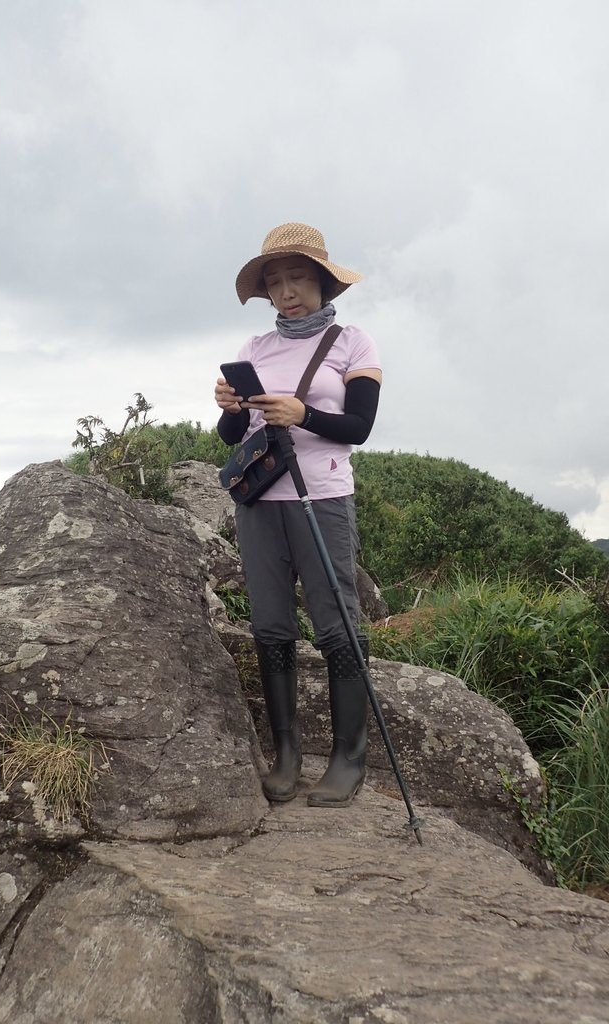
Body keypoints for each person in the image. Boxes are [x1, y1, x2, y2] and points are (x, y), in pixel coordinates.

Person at [215, 223, 382, 807]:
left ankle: (348, 757)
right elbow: (234, 435)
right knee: (270, 625)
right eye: (277, 282)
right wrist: (233, 408)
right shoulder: (253, 350)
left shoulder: (352, 343)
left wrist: (302, 413)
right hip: (261, 502)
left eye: (299, 278)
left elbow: (358, 428)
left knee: (336, 623)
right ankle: (286, 755)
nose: (287, 291)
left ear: (323, 283)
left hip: (324, 496)